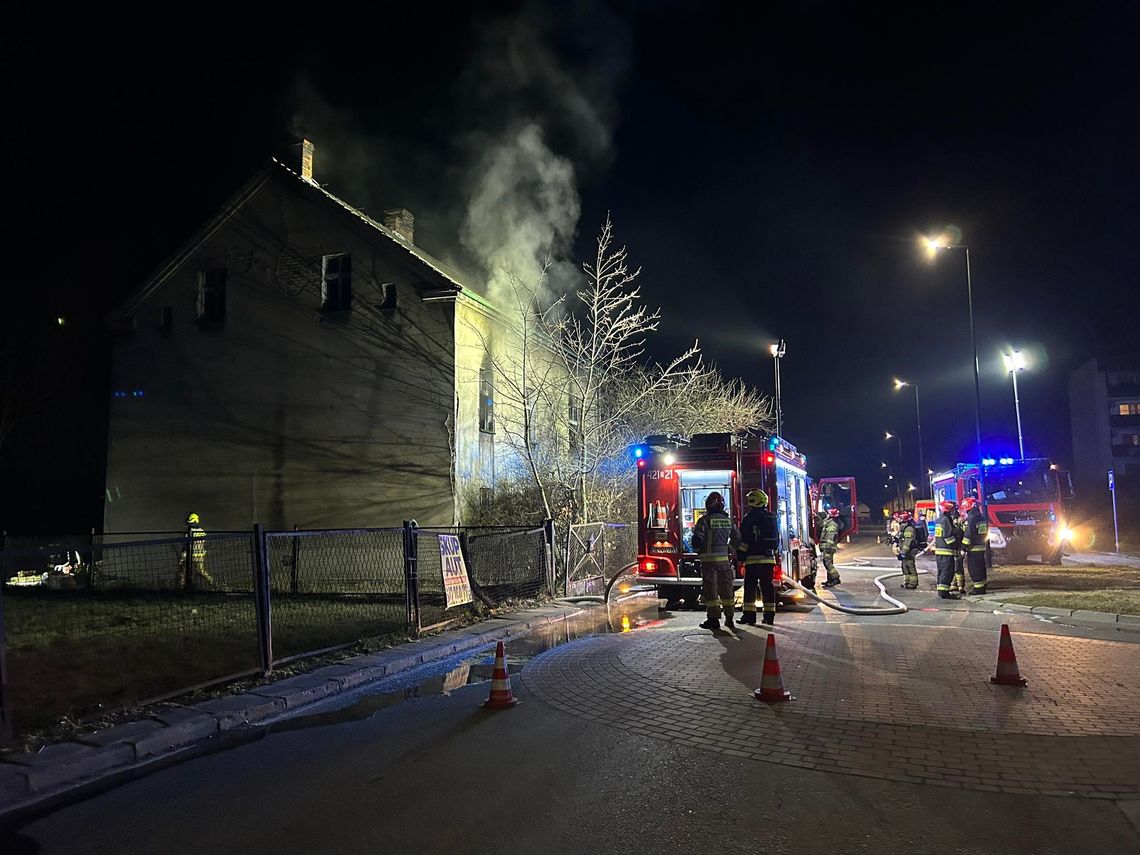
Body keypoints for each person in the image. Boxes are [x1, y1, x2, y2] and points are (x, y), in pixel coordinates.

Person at [691, 491, 740, 630]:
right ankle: (729, 618)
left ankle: (713, 619)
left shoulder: (704, 521)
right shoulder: (728, 520)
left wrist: (697, 549)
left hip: (708, 563)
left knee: (711, 591)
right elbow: (737, 537)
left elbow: (697, 540)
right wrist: (729, 549)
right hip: (724, 562)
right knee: (726, 590)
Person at [737, 489, 780, 626]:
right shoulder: (771, 518)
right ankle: (769, 616)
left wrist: (740, 555)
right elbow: (777, 537)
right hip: (768, 558)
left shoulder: (748, 518)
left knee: (750, 587)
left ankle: (749, 616)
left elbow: (745, 539)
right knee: (767, 586)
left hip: (752, 559)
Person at [959, 497, 989, 594]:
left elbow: (969, 534)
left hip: (973, 548)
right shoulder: (981, 517)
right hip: (981, 547)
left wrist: (963, 547)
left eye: (964, 507)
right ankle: (982, 586)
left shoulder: (972, 518)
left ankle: (978, 589)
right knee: (981, 567)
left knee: (974, 569)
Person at [933, 500, 962, 599]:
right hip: (947, 551)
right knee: (947, 571)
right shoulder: (946, 520)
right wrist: (956, 545)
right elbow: (948, 536)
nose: (955, 511)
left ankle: (941, 590)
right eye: (953, 509)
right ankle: (944, 592)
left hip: (940, 551)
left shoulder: (940, 519)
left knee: (942, 571)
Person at [181, 512, 214, 588]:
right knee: (201, 571)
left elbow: (185, 545)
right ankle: (212, 583)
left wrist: (181, 557)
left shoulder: (188, 532)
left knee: (182, 571)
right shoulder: (202, 531)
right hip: (200, 555)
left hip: (189, 555)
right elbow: (204, 544)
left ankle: (182, 587)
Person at [896, 511, 920, 589]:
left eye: (899, 518)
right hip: (906, 550)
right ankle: (907, 582)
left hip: (910, 550)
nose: (897, 520)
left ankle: (913, 583)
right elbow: (901, 538)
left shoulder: (909, 528)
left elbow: (907, 542)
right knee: (905, 566)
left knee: (910, 565)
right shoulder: (904, 527)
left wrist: (904, 552)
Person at [819, 508, 842, 588]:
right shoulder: (829, 523)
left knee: (827, 563)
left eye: (828, 514)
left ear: (831, 515)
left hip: (829, 547)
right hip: (827, 547)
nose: (826, 515)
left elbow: (830, 537)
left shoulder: (832, 524)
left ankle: (835, 578)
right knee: (828, 562)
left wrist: (828, 547)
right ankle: (830, 580)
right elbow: (822, 524)